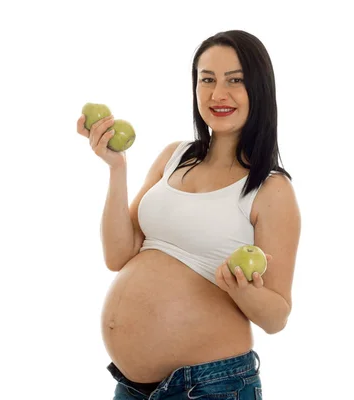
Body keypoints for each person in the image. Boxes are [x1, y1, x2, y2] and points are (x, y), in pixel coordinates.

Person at [76, 29, 301, 400]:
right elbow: (118, 256)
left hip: (211, 386)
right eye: (207, 80)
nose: (218, 94)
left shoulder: (271, 189)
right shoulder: (174, 156)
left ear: (259, 89)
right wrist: (117, 168)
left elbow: (276, 317)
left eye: (236, 80)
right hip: (132, 387)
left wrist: (242, 289)